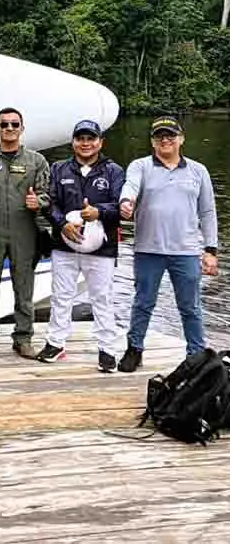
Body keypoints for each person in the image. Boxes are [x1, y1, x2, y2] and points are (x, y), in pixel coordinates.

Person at [118, 116, 218, 371]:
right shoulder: (140, 166)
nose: (165, 140)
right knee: (143, 302)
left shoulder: (198, 171)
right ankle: (135, 349)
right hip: (147, 249)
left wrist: (210, 250)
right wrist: (126, 202)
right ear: (152, 141)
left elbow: (207, 212)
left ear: (181, 139)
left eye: (170, 135)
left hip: (186, 251)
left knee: (190, 306)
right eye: (159, 136)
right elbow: (130, 186)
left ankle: (196, 355)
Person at [36, 120, 124, 373]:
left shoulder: (114, 171)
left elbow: (121, 207)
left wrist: (98, 212)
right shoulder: (58, 168)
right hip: (64, 245)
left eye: (91, 138)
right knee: (61, 296)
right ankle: (55, 343)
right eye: (80, 138)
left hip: (102, 249)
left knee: (102, 298)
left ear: (100, 142)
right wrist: (62, 223)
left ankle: (107, 349)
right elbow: (48, 202)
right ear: (73, 142)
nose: (85, 143)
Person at [0, 107, 50, 358]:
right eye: (4, 124)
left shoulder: (36, 161)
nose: (9, 129)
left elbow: (48, 194)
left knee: (24, 288)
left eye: (15, 124)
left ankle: (24, 337)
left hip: (24, 232)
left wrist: (39, 202)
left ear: (22, 129)